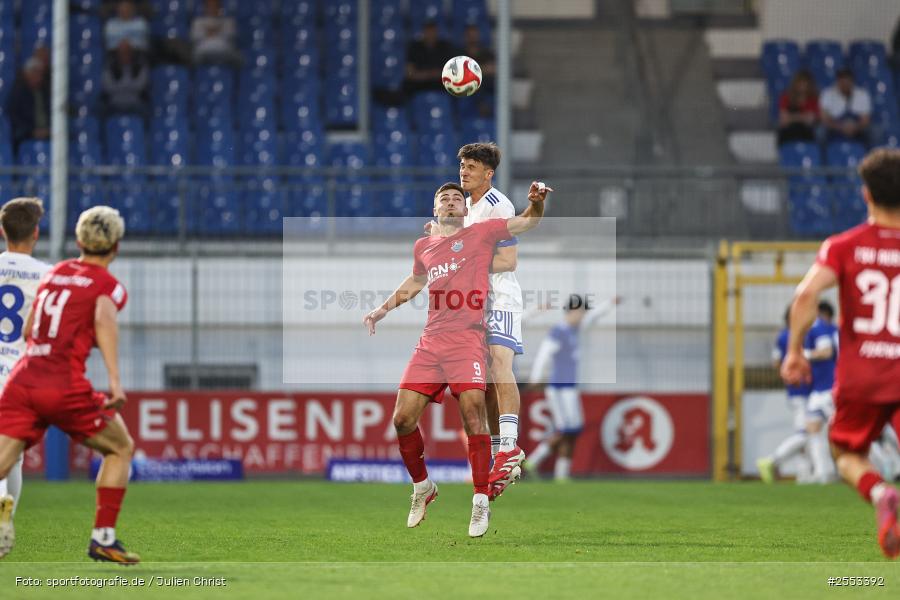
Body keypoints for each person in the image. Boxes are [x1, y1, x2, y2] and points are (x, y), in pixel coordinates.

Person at [363, 180, 552, 538]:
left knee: (472, 415)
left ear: (465, 209)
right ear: (435, 211)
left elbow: (527, 222)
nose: (450, 202)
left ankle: (480, 500)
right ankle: (423, 488)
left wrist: (537, 204)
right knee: (402, 419)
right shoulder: (424, 245)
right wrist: (382, 308)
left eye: (455, 198)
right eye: (443, 199)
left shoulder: (481, 233)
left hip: (467, 340)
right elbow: (415, 280)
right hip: (431, 341)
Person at [0, 206, 139, 564]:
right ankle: (103, 538)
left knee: (3, 462)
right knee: (120, 448)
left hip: (24, 377)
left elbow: (30, 330)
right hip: (62, 384)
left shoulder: (56, 272)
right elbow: (104, 320)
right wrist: (115, 382)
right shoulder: (108, 286)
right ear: (116, 247)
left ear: (78, 241)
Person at [781, 147, 900, 559]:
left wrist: (795, 350)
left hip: (861, 375)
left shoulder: (843, 246)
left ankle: (881, 491)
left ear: (866, 195)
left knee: (847, 454)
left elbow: (806, 294)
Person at [0, 198, 50, 559]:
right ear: (36, 232)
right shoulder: (48, 275)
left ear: (2, 232)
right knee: (11, 458)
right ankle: (4, 521)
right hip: (19, 376)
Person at [525, 294, 619, 481]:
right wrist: (536, 378)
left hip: (570, 387)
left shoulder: (575, 329)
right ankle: (533, 461)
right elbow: (544, 355)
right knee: (565, 429)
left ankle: (562, 474)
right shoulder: (558, 332)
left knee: (574, 429)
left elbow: (594, 317)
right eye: (581, 313)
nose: (583, 316)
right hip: (559, 388)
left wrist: (609, 303)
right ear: (573, 311)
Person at [757, 308, 814, 484]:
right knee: (805, 434)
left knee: (807, 436)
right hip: (804, 392)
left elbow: (776, 362)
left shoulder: (782, 337)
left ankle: (804, 475)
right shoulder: (802, 336)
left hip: (796, 391)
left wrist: (788, 371)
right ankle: (772, 460)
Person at [803, 301, 839, 483]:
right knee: (813, 426)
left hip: (829, 387)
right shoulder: (831, 328)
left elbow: (826, 352)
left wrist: (804, 356)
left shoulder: (818, 326)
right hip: (822, 389)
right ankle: (823, 472)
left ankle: (882, 467)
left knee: (844, 434)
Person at [6, 57, 50, 152]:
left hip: (46, 131)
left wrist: (47, 129)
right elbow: (13, 116)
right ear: (27, 73)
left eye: (41, 73)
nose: (39, 76)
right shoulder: (18, 91)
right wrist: (32, 131)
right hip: (26, 132)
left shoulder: (45, 91)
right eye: (36, 72)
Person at [404, 21, 459, 95]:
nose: (430, 35)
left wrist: (434, 74)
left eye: (433, 31)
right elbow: (410, 73)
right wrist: (430, 74)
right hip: (419, 85)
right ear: (423, 32)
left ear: (437, 32)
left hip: (441, 85)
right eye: (428, 32)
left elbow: (453, 72)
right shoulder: (415, 47)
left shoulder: (445, 47)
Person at [820, 68, 871, 144]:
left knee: (875, 131)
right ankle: (823, 155)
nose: (845, 84)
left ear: (852, 82)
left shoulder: (862, 94)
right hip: (835, 127)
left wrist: (855, 127)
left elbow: (865, 120)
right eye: (842, 82)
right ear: (838, 81)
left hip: (856, 127)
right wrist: (841, 127)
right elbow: (824, 119)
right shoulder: (827, 94)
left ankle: (874, 155)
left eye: (848, 81)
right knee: (821, 131)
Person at [102, 40, 149, 116]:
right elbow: (108, 87)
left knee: (146, 110)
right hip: (114, 103)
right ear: (117, 54)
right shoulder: (110, 67)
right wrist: (129, 86)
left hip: (135, 102)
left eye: (127, 52)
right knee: (100, 110)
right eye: (122, 53)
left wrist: (119, 86)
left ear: (131, 53)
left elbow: (141, 86)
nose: (124, 55)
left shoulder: (139, 66)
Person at [190, 0, 241, 67]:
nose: (212, 8)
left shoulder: (228, 22)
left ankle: (236, 76)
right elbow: (194, 38)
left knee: (238, 56)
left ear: (220, 7)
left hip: (224, 49)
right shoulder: (197, 22)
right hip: (203, 50)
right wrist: (217, 31)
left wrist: (208, 32)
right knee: (193, 56)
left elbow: (231, 36)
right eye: (209, 6)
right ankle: (196, 75)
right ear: (205, 7)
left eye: (215, 5)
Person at [777, 71, 819, 146]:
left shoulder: (813, 100)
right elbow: (783, 119)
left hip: (806, 131)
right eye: (800, 83)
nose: (803, 86)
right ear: (795, 83)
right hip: (789, 131)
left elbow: (810, 120)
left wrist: (792, 117)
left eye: (805, 83)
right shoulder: (786, 97)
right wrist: (803, 117)